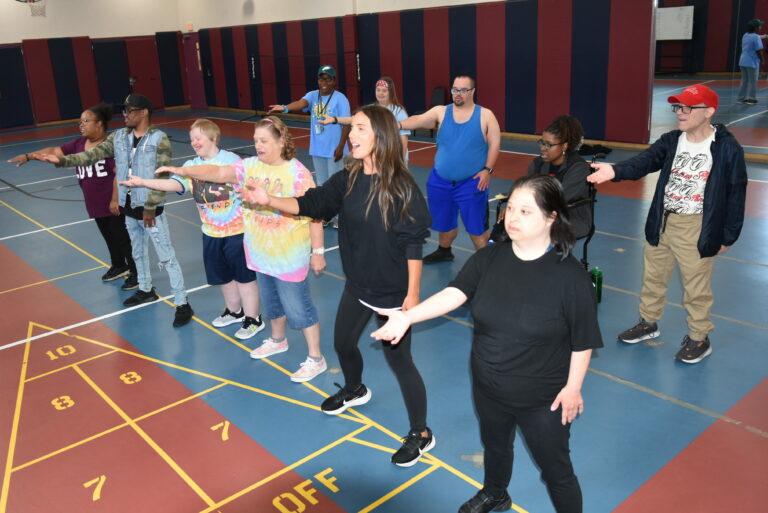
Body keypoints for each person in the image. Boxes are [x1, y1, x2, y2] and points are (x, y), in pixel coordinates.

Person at [372, 174, 602, 513]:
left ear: (551, 217)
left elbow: (583, 341)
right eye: (510, 208)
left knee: (557, 472)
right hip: (488, 386)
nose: (512, 217)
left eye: (526, 211)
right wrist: (408, 317)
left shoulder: (570, 277)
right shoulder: (489, 259)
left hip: (542, 401)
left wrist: (573, 388)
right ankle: (496, 494)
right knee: (495, 447)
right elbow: (454, 294)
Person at [239, 105, 435, 466]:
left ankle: (421, 433)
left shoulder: (402, 186)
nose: (353, 135)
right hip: (358, 284)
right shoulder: (349, 177)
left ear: (382, 135)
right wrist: (268, 200)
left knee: (401, 362)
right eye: (353, 128)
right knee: (343, 343)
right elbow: (312, 202)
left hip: (393, 293)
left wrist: (412, 296)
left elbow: (413, 243)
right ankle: (355, 388)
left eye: (361, 128)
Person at [155, 116, 328, 382]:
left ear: (281, 141)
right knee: (271, 305)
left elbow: (315, 214)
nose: (258, 145)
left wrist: (318, 252)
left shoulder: (298, 173)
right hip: (260, 253)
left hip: (288, 256)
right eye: (255, 140)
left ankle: (316, 358)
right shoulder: (248, 166)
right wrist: (186, 171)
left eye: (264, 141)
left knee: (298, 308)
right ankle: (277, 340)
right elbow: (217, 173)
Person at [588, 85, 748, 363]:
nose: (681, 113)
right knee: (653, 277)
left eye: (689, 108)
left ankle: (700, 338)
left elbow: (736, 191)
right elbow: (645, 161)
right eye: (679, 107)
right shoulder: (673, 140)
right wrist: (614, 170)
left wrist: (728, 236)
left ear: (709, 112)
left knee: (696, 288)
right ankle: (648, 323)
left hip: (697, 226)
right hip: (662, 221)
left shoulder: (726, 148)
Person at [34, 93, 193, 327]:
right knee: (137, 253)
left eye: (130, 111)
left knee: (167, 257)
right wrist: (62, 161)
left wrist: (151, 208)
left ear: (144, 113)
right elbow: (90, 155)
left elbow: (164, 174)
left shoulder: (159, 139)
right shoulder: (119, 137)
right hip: (128, 208)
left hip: (150, 210)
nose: (125, 115)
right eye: (124, 111)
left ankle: (182, 303)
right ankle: (146, 289)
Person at [118, 119, 264, 340]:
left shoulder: (232, 161)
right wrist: (144, 183)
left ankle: (253, 318)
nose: (193, 142)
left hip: (237, 232)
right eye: (191, 139)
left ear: (213, 137)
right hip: (211, 233)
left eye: (198, 138)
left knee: (244, 278)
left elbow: (254, 191)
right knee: (223, 277)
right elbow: (175, 184)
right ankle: (235, 311)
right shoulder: (190, 165)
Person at [9, 103, 137, 288]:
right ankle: (119, 265)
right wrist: (29, 156)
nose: (81, 125)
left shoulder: (109, 146)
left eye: (86, 121)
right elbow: (54, 151)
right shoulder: (78, 144)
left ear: (100, 123)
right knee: (109, 236)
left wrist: (115, 199)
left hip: (113, 202)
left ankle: (137, 273)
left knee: (122, 238)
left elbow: (119, 173)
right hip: (95, 204)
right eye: (79, 122)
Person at [399, 74, 501, 261]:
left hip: (472, 183)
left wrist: (487, 170)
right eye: (455, 89)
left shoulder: (485, 115)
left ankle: (486, 263)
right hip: (440, 181)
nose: (458, 94)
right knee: (444, 222)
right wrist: (396, 124)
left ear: (472, 92)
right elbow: (418, 120)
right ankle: (444, 251)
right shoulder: (441, 111)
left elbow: (495, 144)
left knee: (477, 228)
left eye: (463, 90)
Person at [266, 64, 351, 186]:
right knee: (321, 183)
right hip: (317, 149)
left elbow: (347, 124)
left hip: (334, 149)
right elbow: (301, 103)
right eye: (321, 79)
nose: (324, 82)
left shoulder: (340, 99)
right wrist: (285, 107)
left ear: (334, 81)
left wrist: (341, 147)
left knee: (335, 184)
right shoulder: (313, 95)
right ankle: (324, 205)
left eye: (328, 79)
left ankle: (338, 206)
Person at [526, 115, 592, 239]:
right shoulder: (537, 163)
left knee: (538, 229)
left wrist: (528, 209)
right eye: (542, 143)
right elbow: (526, 189)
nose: (543, 148)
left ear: (564, 146)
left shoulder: (579, 168)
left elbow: (560, 198)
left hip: (571, 217)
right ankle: (495, 252)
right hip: (541, 213)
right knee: (508, 222)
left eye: (549, 145)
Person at [319, 76, 410, 161]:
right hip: (376, 158)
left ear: (391, 92)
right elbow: (353, 119)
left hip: (394, 159)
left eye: (384, 91)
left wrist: (400, 161)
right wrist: (335, 119)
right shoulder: (370, 109)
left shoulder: (399, 112)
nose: (380, 93)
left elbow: (403, 140)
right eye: (378, 90)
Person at [737, 19, 765, 104]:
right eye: (759, 26)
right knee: (753, 81)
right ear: (756, 28)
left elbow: (757, 37)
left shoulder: (745, 35)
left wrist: (766, 36)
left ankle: (741, 99)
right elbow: (759, 50)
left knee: (744, 80)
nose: (761, 27)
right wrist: (763, 60)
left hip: (743, 61)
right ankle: (752, 99)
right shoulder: (756, 37)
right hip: (751, 62)